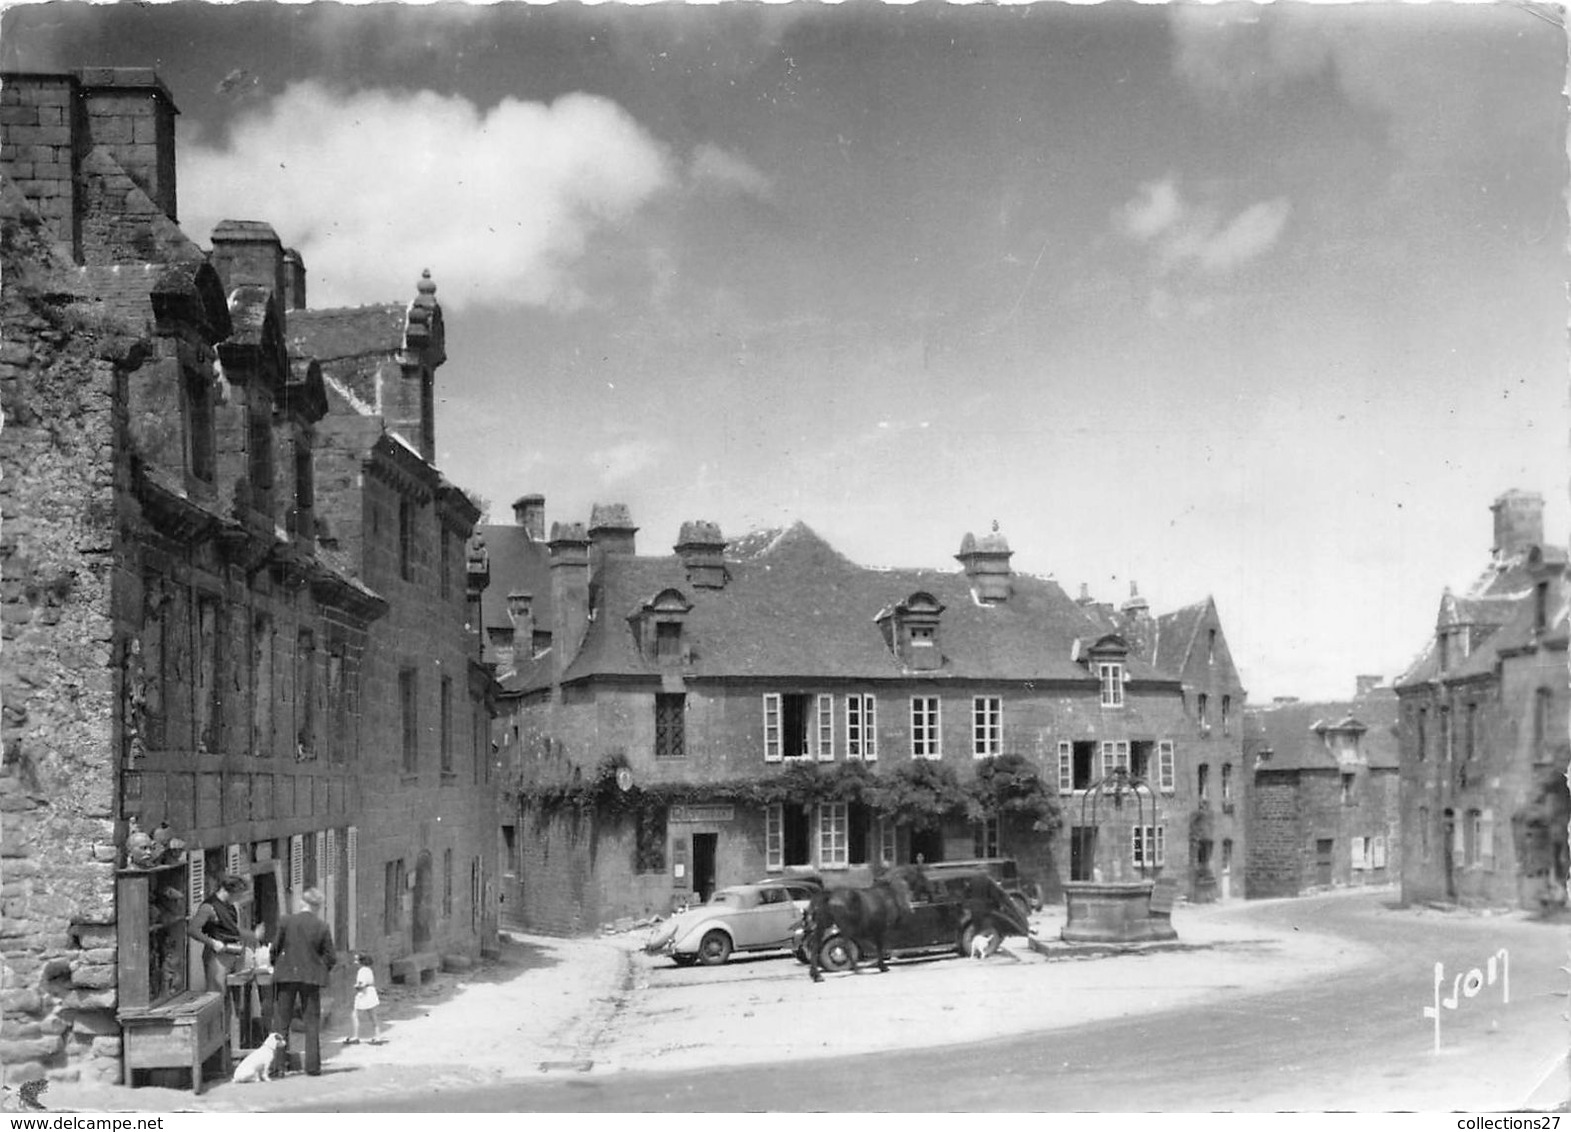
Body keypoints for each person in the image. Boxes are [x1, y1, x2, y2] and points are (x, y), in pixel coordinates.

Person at [270, 887, 336, 1077]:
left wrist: (277, 964)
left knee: (282, 1022)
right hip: (311, 979)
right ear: (318, 906)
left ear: (302, 903)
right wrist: (318, 969)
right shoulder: (322, 926)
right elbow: (331, 957)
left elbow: (275, 948)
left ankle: (278, 1067)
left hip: (287, 976)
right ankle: (313, 1067)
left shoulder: (286, 921)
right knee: (312, 1023)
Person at [187, 874, 254, 994]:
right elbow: (192, 930)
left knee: (237, 992)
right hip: (217, 955)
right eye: (237, 895)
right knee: (217, 992)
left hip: (233, 951)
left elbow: (231, 928)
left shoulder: (231, 906)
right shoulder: (208, 907)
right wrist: (212, 942)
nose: (238, 898)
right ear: (227, 891)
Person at [346, 954, 382, 1045]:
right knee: (373, 1016)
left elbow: (361, 984)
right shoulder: (369, 970)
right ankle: (377, 1036)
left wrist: (356, 986)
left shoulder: (361, 971)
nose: (355, 962)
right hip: (372, 993)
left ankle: (355, 1036)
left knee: (355, 1015)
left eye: (357, 960)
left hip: (364, 994)